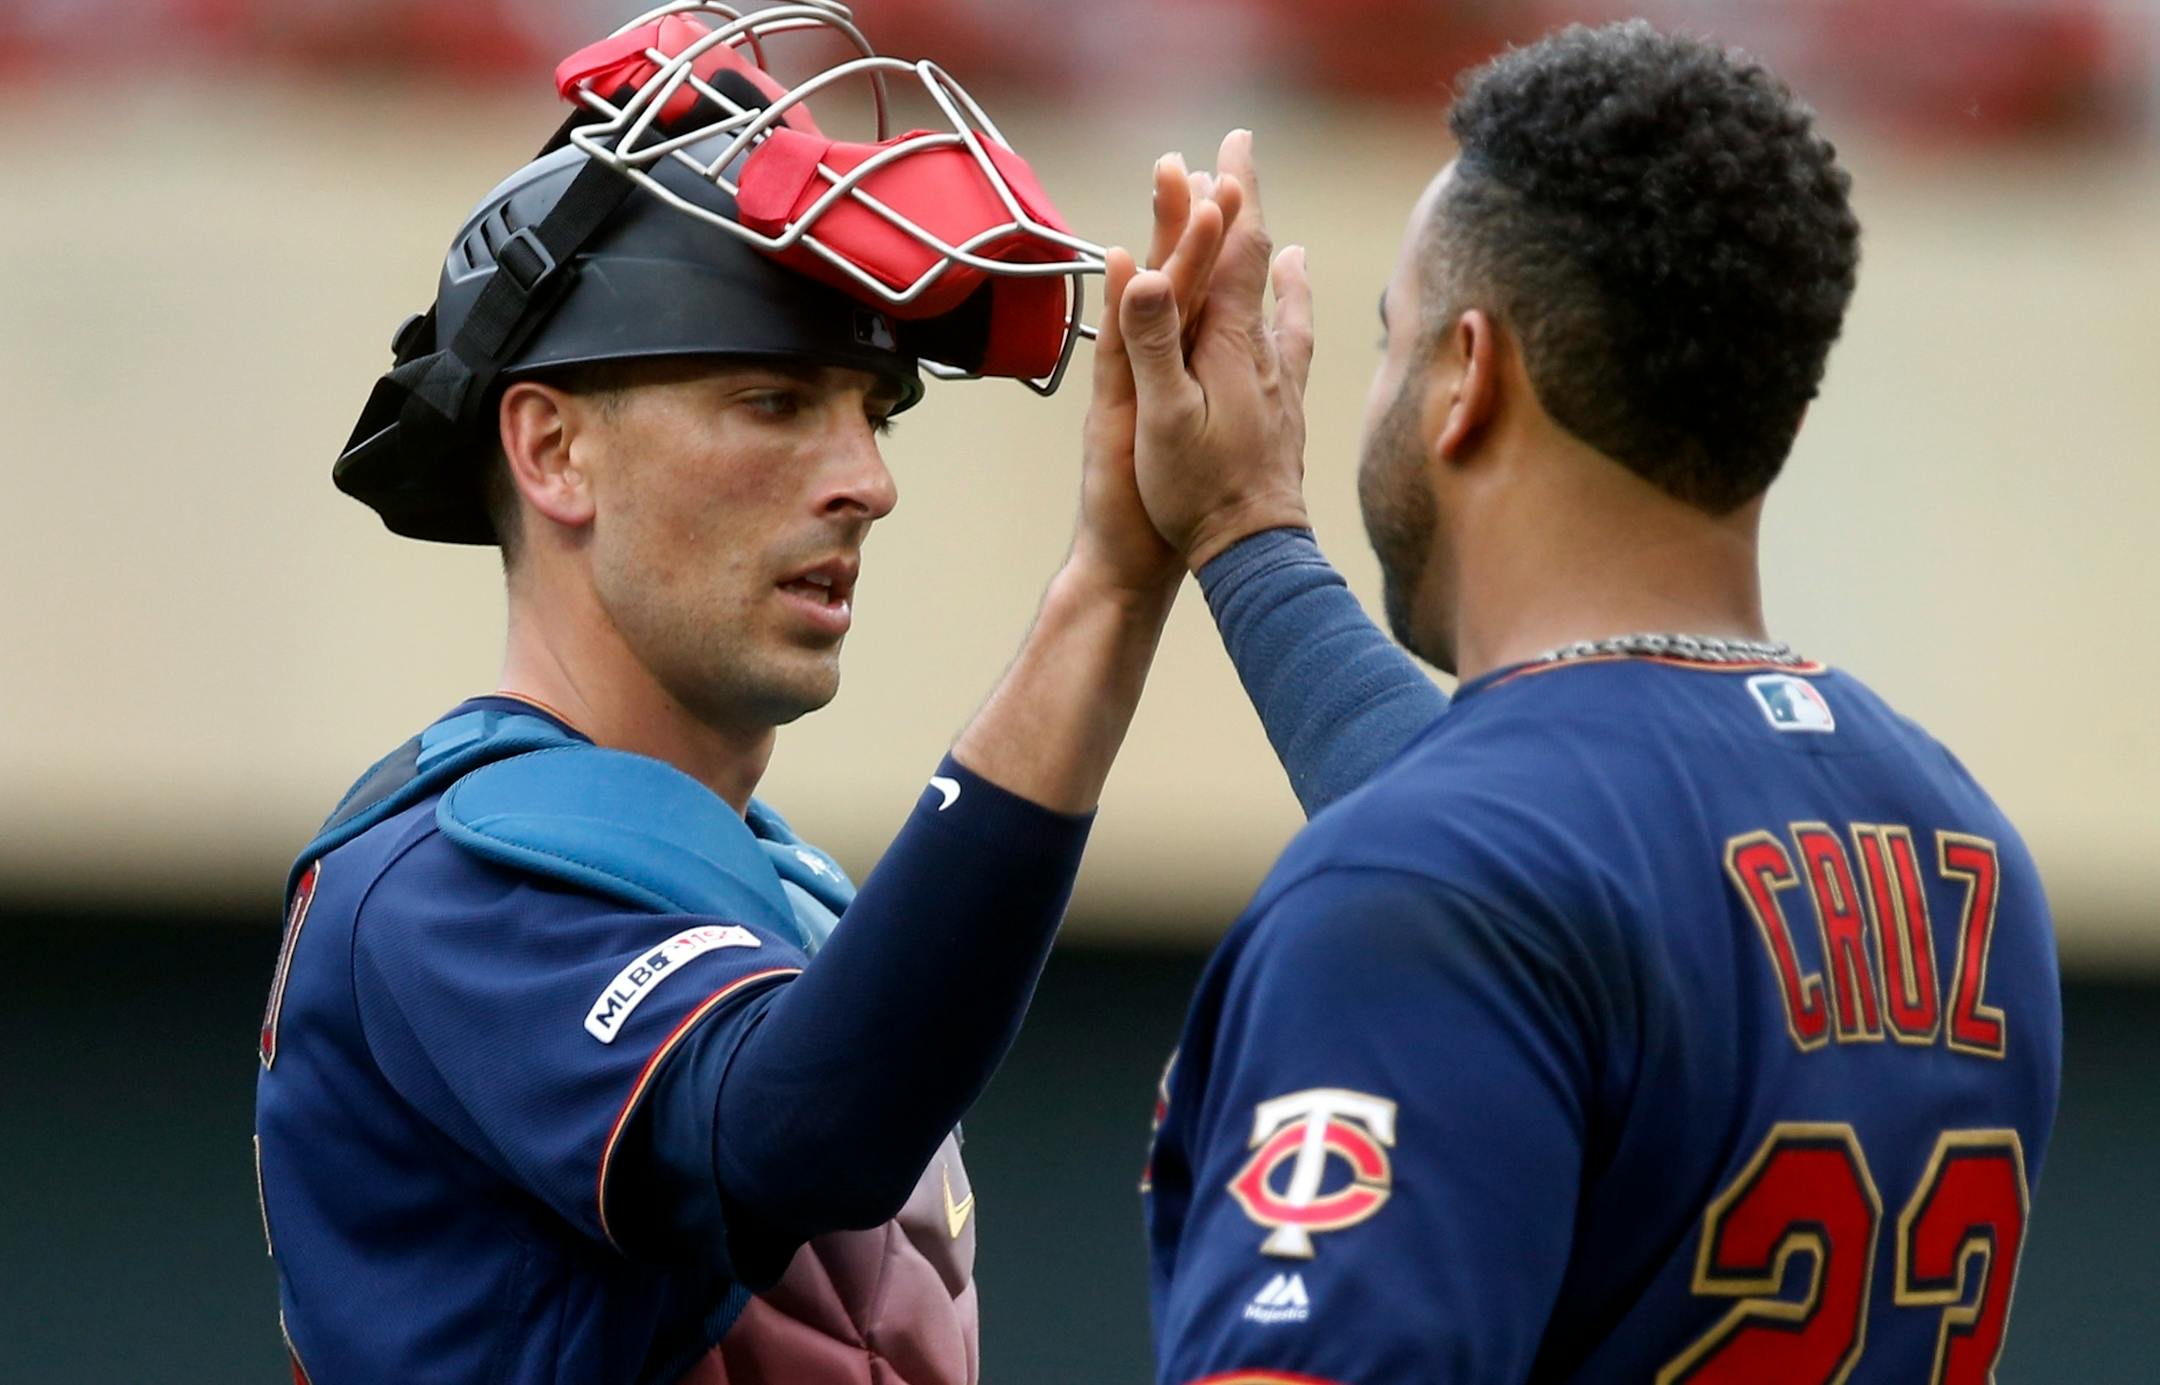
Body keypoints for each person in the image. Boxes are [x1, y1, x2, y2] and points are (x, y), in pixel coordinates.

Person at [251, 7, 1239, 1382]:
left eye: (873, 411)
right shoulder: (442, 879)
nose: (867, 479)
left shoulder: (795, 901)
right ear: (551, 451)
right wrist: (1109, 590)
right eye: (775, 400)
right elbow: (797, 1131)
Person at [1114, 23, 2061, 1383]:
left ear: (1469, 377)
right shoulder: (1963, 845)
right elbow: (1550, 863)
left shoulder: (1420, 887)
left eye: (1393, 337)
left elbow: (1491, 877)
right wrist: (1249, 535)